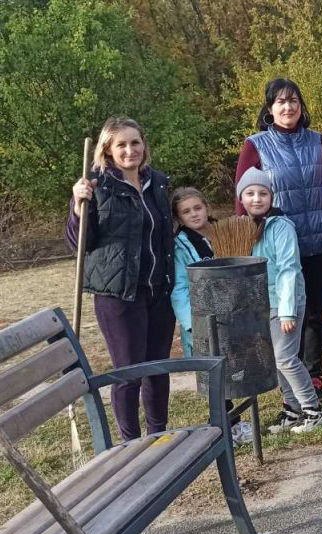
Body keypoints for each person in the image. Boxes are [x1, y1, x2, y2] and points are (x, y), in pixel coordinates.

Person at [66, 117, 176, 442]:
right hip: (119, 294)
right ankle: (130, 443)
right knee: (129, 372)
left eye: (135, 142)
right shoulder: (96, 186)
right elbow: (77, 243)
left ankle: (159, 436)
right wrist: (77, 206)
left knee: (157, 368)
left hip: (158, 289)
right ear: (108, 150)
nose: (130, 150)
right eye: (121, 144)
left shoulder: (156, 182)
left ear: (144, 145)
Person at [236, 78, 322, 398]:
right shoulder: (256, 145)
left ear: (301, 106)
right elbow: (243, 198)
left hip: (320, 241)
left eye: (293, 100)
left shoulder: (318, 141)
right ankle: (291, 383)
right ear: (269, 108)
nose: (288, 107)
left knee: (314, 314)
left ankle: (314, 376)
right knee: (284, 314)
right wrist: (249, 240)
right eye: (280, 102)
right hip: (278, 249)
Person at [238, 167, 322, 433]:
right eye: (250, 193)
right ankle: (291, 410)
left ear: (272, 197)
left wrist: (288, 311)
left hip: (286, 303)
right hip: (262, 305)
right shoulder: (243, 229)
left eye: (263, 193)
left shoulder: (281, 227)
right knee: (275, 359)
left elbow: (289, 268)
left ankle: (313, 411)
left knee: (287, 358)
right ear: (242, 198)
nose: (257, 199)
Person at [170, 187, 254, 445]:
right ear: (178, 217)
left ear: (207, 207)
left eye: (197, 208)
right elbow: (180, 286)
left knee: (235, 368)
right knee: (214, 373)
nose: (194, 215)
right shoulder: (180, 245)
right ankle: (229, 425)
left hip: (232, 311)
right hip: (202, 318)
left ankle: (239, 421)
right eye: (186, 212)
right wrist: (192, 323)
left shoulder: (225, 231)